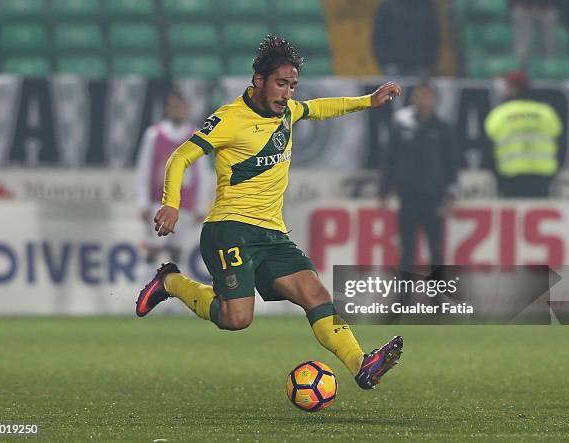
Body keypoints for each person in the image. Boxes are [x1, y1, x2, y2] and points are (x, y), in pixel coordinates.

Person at [135, 36, 404, 390]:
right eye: (281, 84)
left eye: (292, 86)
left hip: (272, 234)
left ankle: (361, 365)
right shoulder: (230, 119)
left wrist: (368, 101)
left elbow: (321, 107)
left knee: (316, 295)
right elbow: (180, 157)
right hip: (230, 229)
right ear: (258, 80)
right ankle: (170, 281)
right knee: (237, 319)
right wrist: (171, 203)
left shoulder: (288, 112)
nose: (287, 93)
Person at [379, 80, 458, 272]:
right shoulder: (401, 123)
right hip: (408, 197)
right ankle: (404, 300)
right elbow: (390, 159)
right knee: (407, 251)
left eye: (428, 96)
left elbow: (452, 164)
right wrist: (384, 190)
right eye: (420, 95)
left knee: (436, 252)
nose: (424, 100)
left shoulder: (443, 127)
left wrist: (451, 194)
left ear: (435, 99)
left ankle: (438, 300)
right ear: (413, 97)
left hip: (434, 197)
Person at [136, 90, 214, 280]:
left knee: (177, 252)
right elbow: (144, 169)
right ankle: (144, 294)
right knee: (154, 248)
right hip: (159, 201)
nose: (176, 110)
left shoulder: (196, 136)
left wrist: (201, 206)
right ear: (167, 109)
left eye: (180, 107)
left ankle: (174, 300)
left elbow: (203, 174)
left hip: (185, 203)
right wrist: (143, 202)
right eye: (173, 107)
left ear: (186, 109)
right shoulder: (154, 134)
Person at [484, 71, 563, 198]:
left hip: (510, 178)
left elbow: (488, 149)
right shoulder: (546, 113)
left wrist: (497, 176)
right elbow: (560, 145)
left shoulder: (499, 115)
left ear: (513, 88)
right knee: (540, 214)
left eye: (506, 86)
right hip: (542, 178)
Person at [372, 0, 440, 76]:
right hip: (392, 66)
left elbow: (433, 36)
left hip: (420, 66)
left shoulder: (427, 6)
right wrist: (385, 62)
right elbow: (379, 36)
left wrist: (428, 63)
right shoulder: (386, 6)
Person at [510, 0, 559, 69]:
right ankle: (521, 67)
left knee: (549, 42)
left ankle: (549, 68)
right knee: (523, 42)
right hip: (523, 7)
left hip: (546, 8)